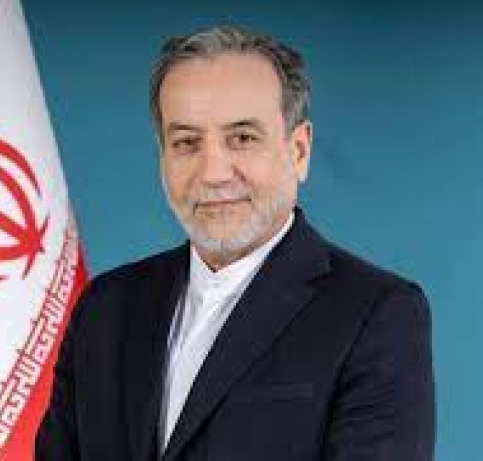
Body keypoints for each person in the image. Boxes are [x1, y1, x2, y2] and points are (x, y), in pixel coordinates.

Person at [35, 25, 435, 460]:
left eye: (242, 138)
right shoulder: (105, 308)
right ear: (163, 156)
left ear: (299, 151)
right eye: (187, 142)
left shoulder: (375, 313)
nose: (213, 173)